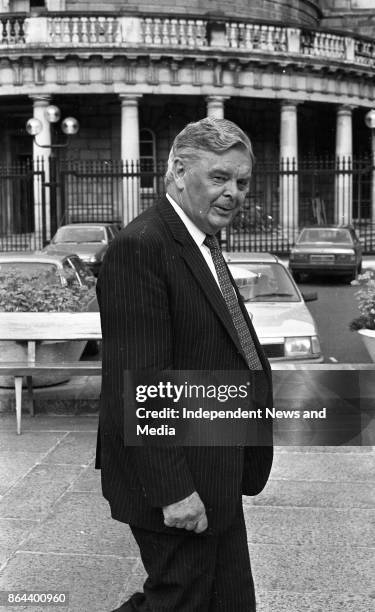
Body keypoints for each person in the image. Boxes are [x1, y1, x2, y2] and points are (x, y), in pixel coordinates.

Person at [95, 117, 273, 611]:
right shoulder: (142, 246)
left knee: (230, 603)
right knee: (180, 602)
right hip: (176, 481)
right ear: (177, 170)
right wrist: (174, 491)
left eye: (241, 182)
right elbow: (140, 383)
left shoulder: (202, 244)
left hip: (217, 467)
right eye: (219, 177)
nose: (233, 192)